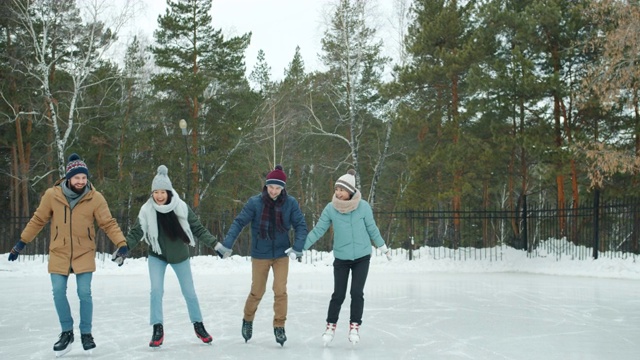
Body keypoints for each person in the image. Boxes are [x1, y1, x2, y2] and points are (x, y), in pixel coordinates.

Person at [7, 153, 129, 357]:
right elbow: (38, 220)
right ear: (68, 178)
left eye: (84, 177)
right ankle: (66, 332)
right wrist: (21, 242)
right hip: (59, 251)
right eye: (77, 177)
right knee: (58, 291)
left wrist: (121, 243)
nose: (81, 181)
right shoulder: (52, 195)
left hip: (84, 252)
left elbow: (108, 223)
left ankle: (86, 333)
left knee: (84, 293)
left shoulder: (95, 198)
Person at [119, 165, 216, 347]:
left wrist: (216, 244)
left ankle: (198, 325)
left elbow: (198, 229)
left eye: (163, 192)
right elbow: (136, 232)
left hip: (180, 256)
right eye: (156, 192)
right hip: (157, 255)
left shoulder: (181, 207)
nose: (159, 196)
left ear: (169, 192)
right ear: (152, 193)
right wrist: (123, 250)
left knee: (189, 293)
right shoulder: (147, 209)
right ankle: (157, 328)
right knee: (156, 291)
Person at [214, 164, 307, 346]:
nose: (273, 191)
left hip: (281, 254)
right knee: (257, 291)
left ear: (283, 188)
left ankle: (279, 326)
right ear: (266, 186)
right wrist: (227, 244)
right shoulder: (255, 202)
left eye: (278, 188)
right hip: (260, 254)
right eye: (271, 187)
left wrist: (297, 247)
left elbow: (301, 226)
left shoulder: (291, 203)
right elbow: (239, 222)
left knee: (280, 291)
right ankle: (247, 320)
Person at [302, 169, 392, 346]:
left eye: (342, 190)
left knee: (356, 292)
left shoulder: (363, 206)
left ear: (350, 191)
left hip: (362, 257)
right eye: (336, 189)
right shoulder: (331, 208)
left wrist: (383, 247)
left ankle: (354, 326)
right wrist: (301, 247)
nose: (338, 192)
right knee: (338, 294)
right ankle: (330, 326)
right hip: (342, 258)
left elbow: (372, 229)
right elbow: (319, 230)